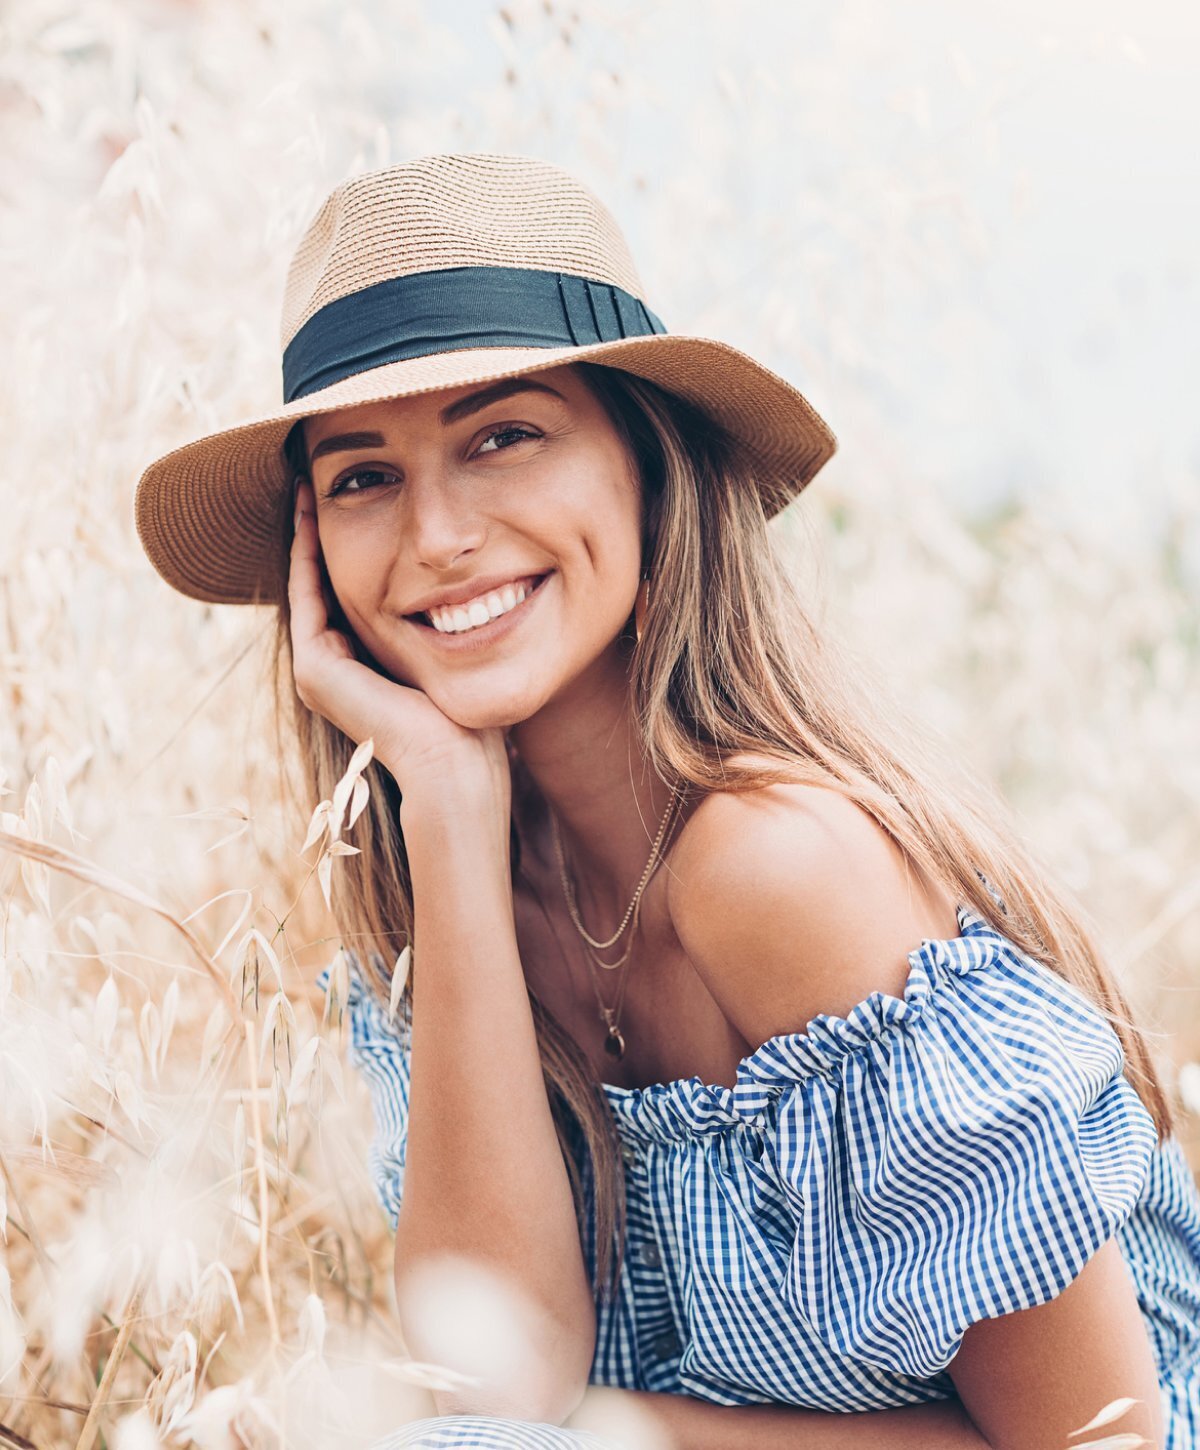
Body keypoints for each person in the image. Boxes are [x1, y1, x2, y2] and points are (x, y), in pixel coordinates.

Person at [134, 152, 1200, 1450]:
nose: (436, 536)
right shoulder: (442, 881)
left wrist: (619, 1430)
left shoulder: (777, 863)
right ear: (314, 548)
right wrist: (456, 826)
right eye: (363, 475)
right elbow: (500, 1387)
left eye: (503, 434)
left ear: (648, 460)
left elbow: (1106, 1442)